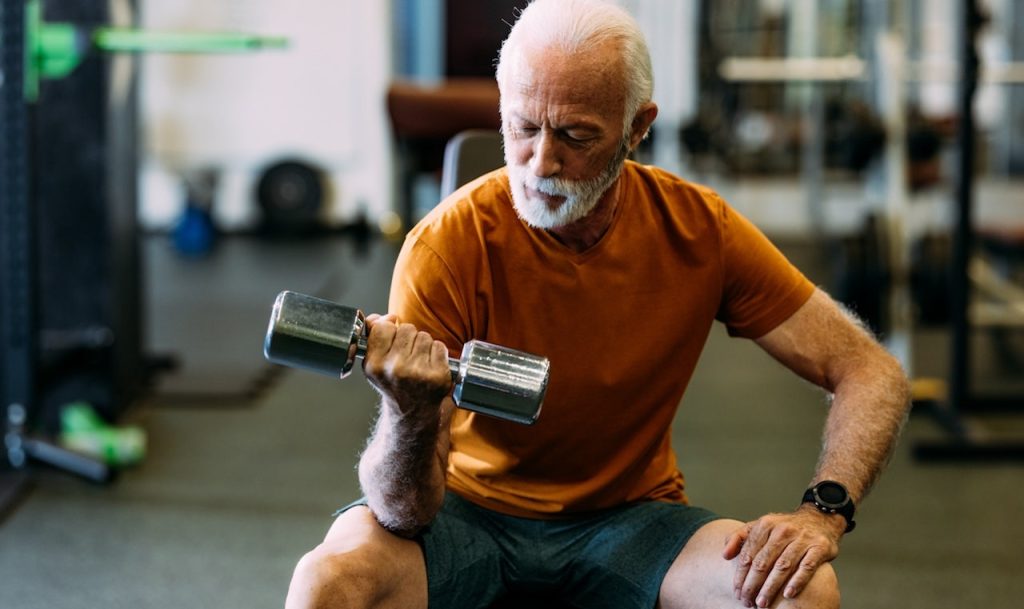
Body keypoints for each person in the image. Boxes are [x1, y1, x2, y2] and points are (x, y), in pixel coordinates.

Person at [286, 1, 910, 608]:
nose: (540, 162)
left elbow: (869, 369)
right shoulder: (448, 244)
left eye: (576, 136)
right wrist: (412, 412)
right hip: (464, 515)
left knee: (802, 595)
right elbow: (405, 511)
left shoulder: (697, 229)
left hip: (630, 522)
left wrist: (822, 514)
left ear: (638, 128)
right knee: (330, 584)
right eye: (523, 127)